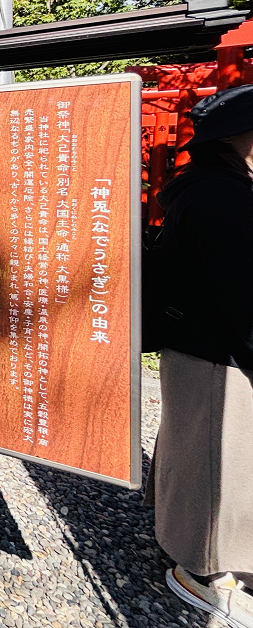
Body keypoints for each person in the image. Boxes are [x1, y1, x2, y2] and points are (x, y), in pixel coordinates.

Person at [153, 83, 253, 628]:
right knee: (218, 463)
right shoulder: (223, 198)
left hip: (203, 345)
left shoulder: (208, 191)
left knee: (209, 458)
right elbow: (242, 294)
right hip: (216, 352)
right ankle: (204, 571)